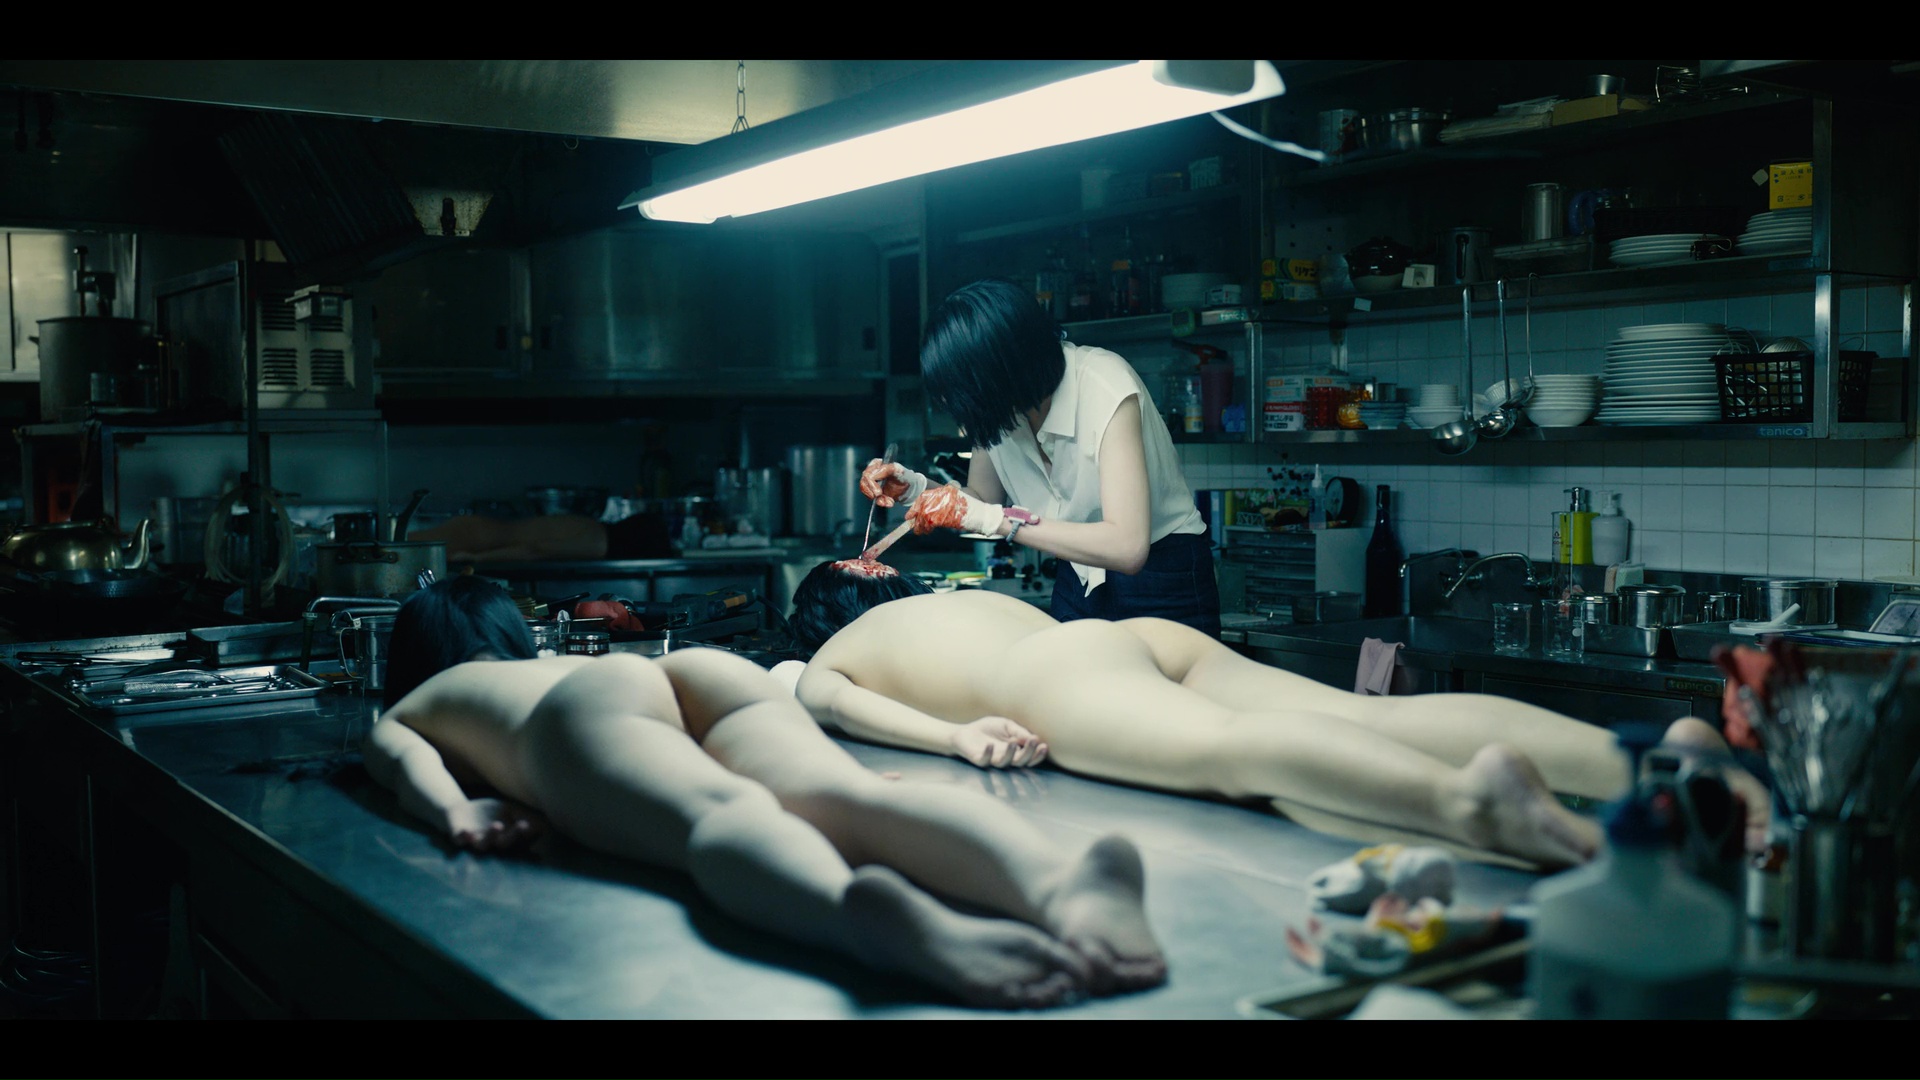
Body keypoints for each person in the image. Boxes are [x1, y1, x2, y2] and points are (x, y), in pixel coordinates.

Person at [363, 575, 1166, 1009]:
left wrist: (455, 808)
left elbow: (395, 752)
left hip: (584, 716)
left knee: (722, 814)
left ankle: (853, 916)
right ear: (508, 635)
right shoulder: (541, 662)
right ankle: (1064, 890)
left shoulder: (432, 694)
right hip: (695, 671)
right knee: (852, 798)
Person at [783, 560, 1772, 867]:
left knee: (1235, 753)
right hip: (1124, 636)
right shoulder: (945, 599)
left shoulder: (837, 645)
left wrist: (957, 735)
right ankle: (1648, 759)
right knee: (1365, 717)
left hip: (1049, 678)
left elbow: (818, 694)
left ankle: (1470, 807)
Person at [861, 278, 1221, 637]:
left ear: (1002, 374)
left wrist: (997, 521)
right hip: (1075, 573)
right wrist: (916, 489)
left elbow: (1127, 548)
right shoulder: (999, 407)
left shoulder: (1104, 384)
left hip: (1161, 574)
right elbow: (982, 498)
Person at [408, 510, 671, 564]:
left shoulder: (594, 527)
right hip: (477, 540)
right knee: (402, 551)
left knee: (403, 547)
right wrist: (477, 558)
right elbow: (535, 549)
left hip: (479, 532)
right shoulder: (598, 542)